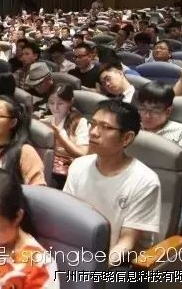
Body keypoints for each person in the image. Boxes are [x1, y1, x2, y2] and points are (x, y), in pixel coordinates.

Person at [64, 100, 161, 266]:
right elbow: (66, 217)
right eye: (93, 124)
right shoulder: (78, 166)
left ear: (127, 138)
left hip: (119, 264)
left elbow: (127, 243)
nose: (93, 132)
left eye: (106, 127)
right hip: (78, 254)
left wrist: (94, 272)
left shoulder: (145, 180)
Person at [137, 82, 182, 180]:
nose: (147, 115)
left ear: (168, 111)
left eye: (154, 110)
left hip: (167, 184)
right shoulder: (133, 129)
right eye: (143, 108)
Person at [42, 84, 89, 188]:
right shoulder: (46, 120)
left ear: (71, 102)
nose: (55, 108)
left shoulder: (79, 122)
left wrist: (59, 136)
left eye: (60, 103)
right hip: (48, 166)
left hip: (68, 173)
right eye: (51, 103)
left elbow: (82, 153)